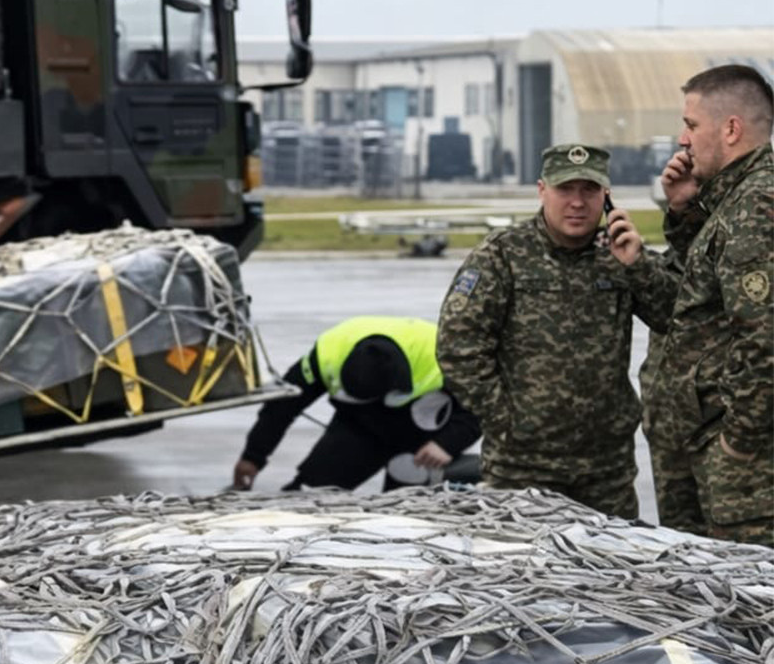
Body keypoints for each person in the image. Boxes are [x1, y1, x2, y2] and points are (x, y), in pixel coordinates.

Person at [436, 144, 669, 519]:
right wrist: (508, 420)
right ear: (542, 190)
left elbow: (675, 317)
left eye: (589, 191)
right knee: (522, 569)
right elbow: (458, 347)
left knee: (612, 570)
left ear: (606, 196)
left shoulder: (620, 254)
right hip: (523, 465)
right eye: (565, 190)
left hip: (605, 466)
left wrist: (638, 267)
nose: (577, 202)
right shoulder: (503, 256)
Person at [643, 64, 773, 546]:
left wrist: (737, 444)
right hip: (720, 449)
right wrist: (685, 210)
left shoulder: (758, 204)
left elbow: (764, 339)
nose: (683, 139)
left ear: (732, 128)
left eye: (692, 125)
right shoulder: (735, 199)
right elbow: (713, 287)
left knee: (751, 606)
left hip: (750, 469)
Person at [231, 316, 481, 492]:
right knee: (311, 495)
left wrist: (448, 443)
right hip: (361, 427)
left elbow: (487, 405)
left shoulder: (445, 354)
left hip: (423, 443)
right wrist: (253, 457)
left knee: (408, 515)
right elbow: (281, 408)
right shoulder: (328, 354)